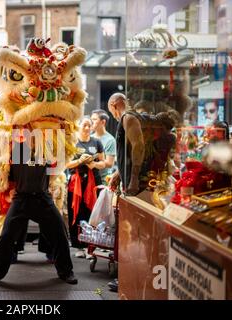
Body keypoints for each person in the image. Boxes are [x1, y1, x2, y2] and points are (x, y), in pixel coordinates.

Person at [0, 140, 78, 288]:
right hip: (21, 198)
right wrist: (10, 190)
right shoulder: (16, 148)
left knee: (60, 233)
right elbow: (6, 173)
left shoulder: (46, 147)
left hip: (42, 198)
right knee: (5, 237)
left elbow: (56, 168)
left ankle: (66, 272)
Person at [106, 93, 145, 293]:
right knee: (129, 233)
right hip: (128, 183)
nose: (111, 115)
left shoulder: (128, 117)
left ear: (114, 105)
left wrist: (134, 177)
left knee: (132, 234)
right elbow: (128, 152)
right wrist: (119, 173)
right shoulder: (126, 118)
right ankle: (128, 276)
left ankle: (130, 278)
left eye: (110, 110)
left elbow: (138, 147)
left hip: (135, 188)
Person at [66, 117, 106, 258]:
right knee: (76, 213)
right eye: (84, 125)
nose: (87, 128)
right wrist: (79, 161)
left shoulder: (97, 142)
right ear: (78, 126)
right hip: (76, 182)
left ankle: (90, 247)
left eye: (89, 125)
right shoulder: (72, 142)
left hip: (93, 181)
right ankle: (78, 246)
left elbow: (104, 163)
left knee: (92, 213)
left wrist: (93, 164)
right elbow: (66, 164)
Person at [91, 109, 117, 184]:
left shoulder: (110, 140)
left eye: (94, 119)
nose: (91, 122)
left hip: (102, 181)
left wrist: (92, 161)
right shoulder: (89, 137)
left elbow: (109, 163)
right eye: (91, 119)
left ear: (103, 122)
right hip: (89, 179)